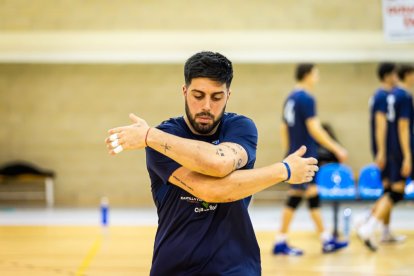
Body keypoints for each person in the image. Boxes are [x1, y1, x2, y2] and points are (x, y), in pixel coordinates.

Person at [105, 51, 318, 275]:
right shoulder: (164, 136)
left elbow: (218, 162)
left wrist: (148, 136)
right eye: (198, 95)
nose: (207, 106)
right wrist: (283, 170)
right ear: (184, 91)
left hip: (236, 267)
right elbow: (212, 189)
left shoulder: (240, 128)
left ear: (228, 95)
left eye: (217, 97)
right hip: (175, 268)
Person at [273, 63, 348, 256]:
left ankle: (281, 240)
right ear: (307, 75)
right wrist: (336, 148)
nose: (317, 77)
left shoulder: (290, 98)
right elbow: (315, 128)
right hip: (305, 153)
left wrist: (288, 151)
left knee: (297, 195)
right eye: (315, 73)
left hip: (295, 152)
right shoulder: (306, 98)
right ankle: (325, 239)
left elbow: (283, 127)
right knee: (310, 193)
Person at [357, 64, 414, 251]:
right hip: (396, 150)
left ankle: (384, 230)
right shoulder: (402, 96)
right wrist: (407, 155)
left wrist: (380, 150)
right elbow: (401, 127)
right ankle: (368, 223)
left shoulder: (382, 96)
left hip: (387, 150)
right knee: (396, 193)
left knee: (388, 190)